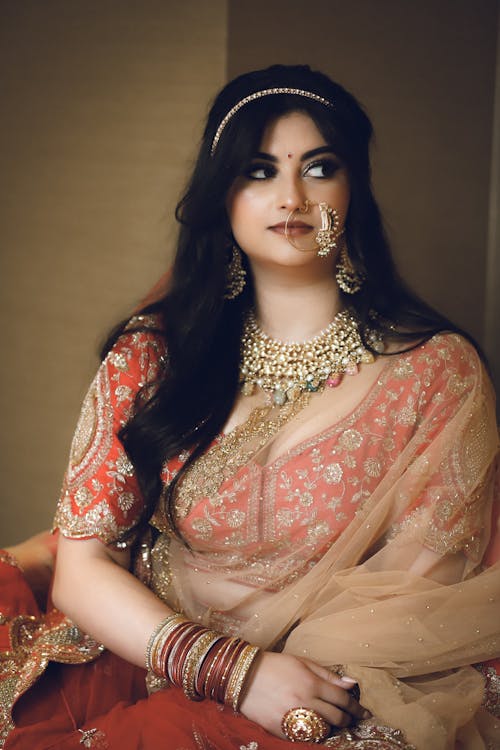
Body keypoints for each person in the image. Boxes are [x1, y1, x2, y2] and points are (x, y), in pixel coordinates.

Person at [1, 64, 499, 750]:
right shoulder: (153, 354)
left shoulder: (435, 374)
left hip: (339, 684)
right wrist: (233, 671)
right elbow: (82, 569)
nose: (291, 195)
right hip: (140, 656)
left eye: (319, 168)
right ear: (223, 196)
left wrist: (275, 682)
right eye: (260, 171)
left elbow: (414, 605)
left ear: (353, 189)